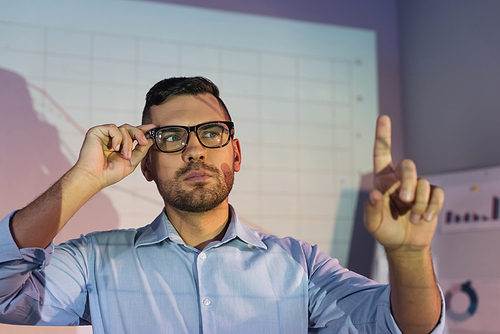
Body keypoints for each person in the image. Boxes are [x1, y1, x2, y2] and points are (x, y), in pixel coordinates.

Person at [0, 76, 445, 333]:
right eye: (172, 138)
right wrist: (85, 179)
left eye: (211, 133)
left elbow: (404, 327)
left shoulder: (299, 265)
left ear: (235, 154)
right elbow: (6, 294)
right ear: (148, 164)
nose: (194, 151)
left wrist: (408, 256)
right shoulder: (95, 260)